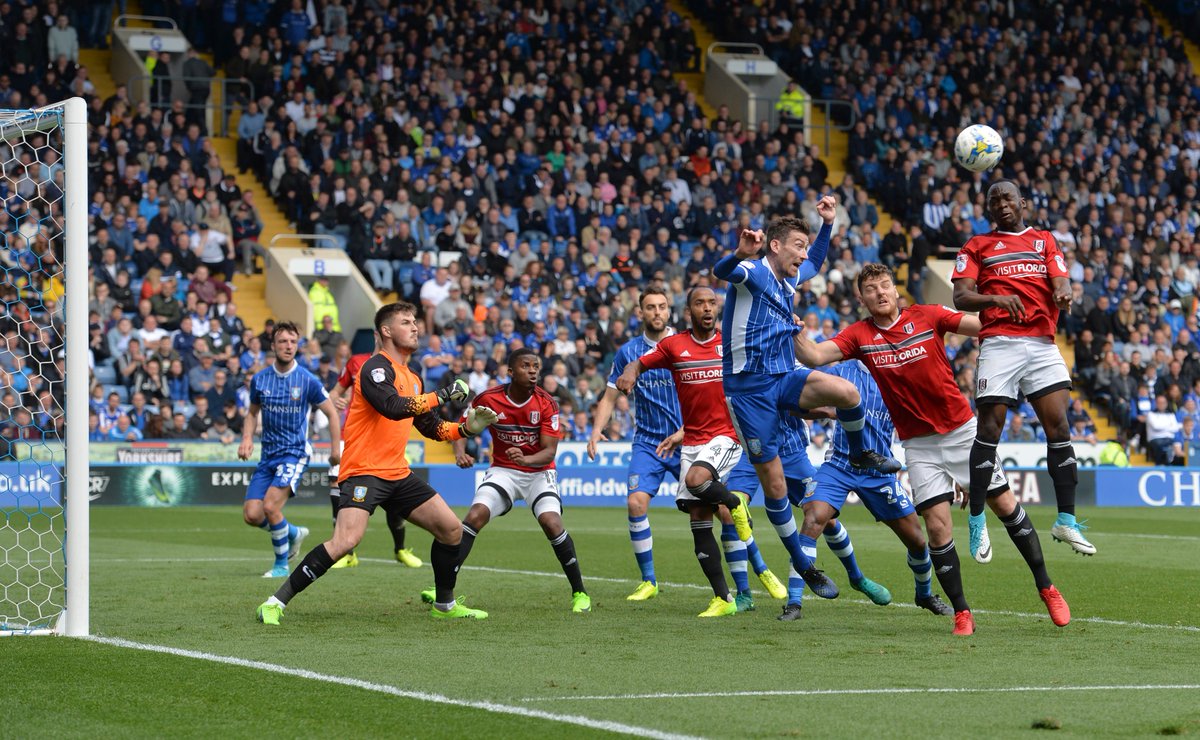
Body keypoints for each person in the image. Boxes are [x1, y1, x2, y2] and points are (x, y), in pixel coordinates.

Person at [795, 264, 1071, 632]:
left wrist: (1022, 309)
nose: (880, 293)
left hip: (961, 433)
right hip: (918, 446)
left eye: (885, 285)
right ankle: (962, 612)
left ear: (896, 290)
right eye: (871, 289)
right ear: (861, 299)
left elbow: (982, 326)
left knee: (1005, 505)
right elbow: (813, 356)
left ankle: (1047, 587)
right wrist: (794, 329)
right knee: (938, 530)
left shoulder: (928, 315)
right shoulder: (859, 335)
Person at [256, 303, 499, 625]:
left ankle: (444, 604)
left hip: (397, 472)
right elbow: (393, 407)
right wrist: (442, 395)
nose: (415, 327)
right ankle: (274, 602)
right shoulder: (374, 368)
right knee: (345, 541)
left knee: (452, 530)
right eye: (406, 322)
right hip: (364, 471)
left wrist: (466, 429)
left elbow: (432, 427)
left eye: (415, 321)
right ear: (386, 331)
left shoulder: (413, 377)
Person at [713, 200, 900, 597]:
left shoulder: (789, 280)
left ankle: (860, 453)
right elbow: (723, 272)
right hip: (748, 390)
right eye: (797, 245)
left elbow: (815, 260)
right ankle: (803, 565)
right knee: (775, 487)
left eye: (804, 245)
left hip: (783, 376)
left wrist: (827, 224)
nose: (803, 253)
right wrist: (739, 253)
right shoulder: (754, 272)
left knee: (847, 393)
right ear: (775, 246)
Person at [951, 180, 1095, 557]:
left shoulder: (1044, 240)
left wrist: (1063, 293)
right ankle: (977, 519)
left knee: (1059, 427)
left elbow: (1061, 281)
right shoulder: (977, 245)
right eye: (994, 200)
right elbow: (960, 296)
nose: (1001, 204)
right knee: (990, 429)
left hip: (1042, 343)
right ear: (988, 209)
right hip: (1000, 343)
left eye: (1007, 198)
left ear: (1022, 203)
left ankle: (1065, 520)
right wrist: (995, 298)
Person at [616, 288, 756, 616]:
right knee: (698, 518)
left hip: (726, 436)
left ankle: (734, 504)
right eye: (699, 303)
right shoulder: (674, 345)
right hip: (692, 441)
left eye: (712, 303)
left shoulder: (731, 343)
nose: (707, 308)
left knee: (697, 481)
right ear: (688, 311)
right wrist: (630, 372)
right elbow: (640, 363)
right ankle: (724, 599)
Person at [444, 348, 590, 614]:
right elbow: (462, 427)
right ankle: (444, 588)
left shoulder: (547, 403)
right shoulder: (488, 398)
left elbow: (549, 451)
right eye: (526, 366)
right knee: (475, 516)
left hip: (539, 472)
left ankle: (580, 592)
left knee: (552, 523)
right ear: (510, 372)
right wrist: (460, 453)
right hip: (503, 471)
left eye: (536, 366)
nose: (532, 371)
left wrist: (525, 459)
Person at [724, 403, 896, 622]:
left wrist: (828, 410)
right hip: (752, 452)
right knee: (731, 510)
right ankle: (746, 595)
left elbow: (800, 401)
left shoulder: (785, 379)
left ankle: (857, 577)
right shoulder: (735, 383)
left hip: (791, 453)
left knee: (824, 519)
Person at [587, 288, 684, 601]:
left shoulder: (685, 344)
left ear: (669, 310)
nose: (657, 312)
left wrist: (687, 430)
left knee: (717, 510)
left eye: (662, 306)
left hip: (688, 439)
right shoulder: (628, 352)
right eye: (650, 307)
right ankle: (648, 581)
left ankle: (754, 572)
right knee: (635, 504)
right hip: (648, 442)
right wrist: (596, 430)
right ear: (640, 312)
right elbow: (609, 397)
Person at [237, 321, 342, 578]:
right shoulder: (260, 379)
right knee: (252, 514)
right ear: (273, 346)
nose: (288, 346)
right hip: (268, 456)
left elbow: (332, 413)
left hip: (294, 453)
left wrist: (335, 451)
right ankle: (293, 533)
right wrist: (247, 438)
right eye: (283, 341)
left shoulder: (307, 379)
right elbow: (251, 413)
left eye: (293, 342)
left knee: (271, 507)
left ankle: (281, 566)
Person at [326, 341, 422, 570]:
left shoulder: (402, 367)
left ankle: (400, 549)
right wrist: (335, 400)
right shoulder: (356, 362)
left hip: (386, 437)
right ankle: (347, 552)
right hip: (353, 434)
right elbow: (334, 393)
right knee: (336, 485)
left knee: (394, 490)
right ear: (380, 332)